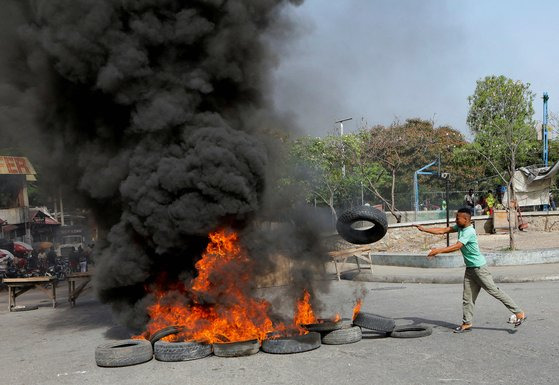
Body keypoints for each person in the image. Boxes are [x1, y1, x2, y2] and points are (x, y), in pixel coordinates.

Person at [413, 208, 526, 333]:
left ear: (466, 219)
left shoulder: (469, 231)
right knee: (467, 297)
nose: (455, 220)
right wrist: (424, 229)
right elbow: (443, 230)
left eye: (457, 218)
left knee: (494, 291)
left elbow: (457, 246)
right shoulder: (460, 227)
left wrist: (437, 251)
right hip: (470, 269)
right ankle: (466, 323)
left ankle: (519, 313)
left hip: (479, 269)